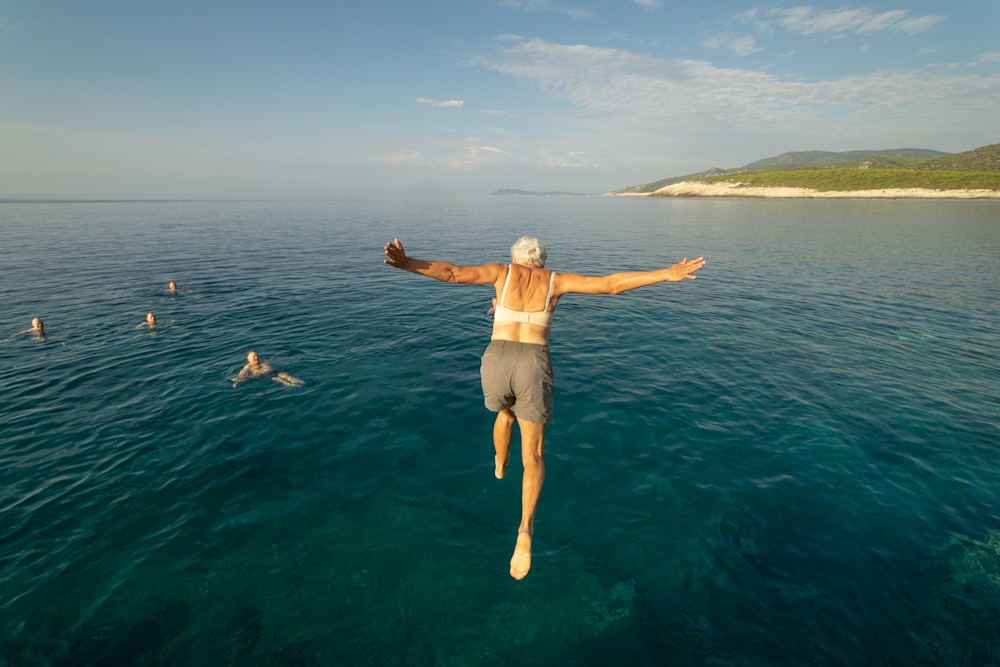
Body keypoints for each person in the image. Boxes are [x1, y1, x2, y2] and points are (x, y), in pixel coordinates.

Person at [384, 236, 705, 579]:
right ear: (541, 261)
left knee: (503, 413)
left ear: (516, 258)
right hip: (532, 363)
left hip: (497, 358)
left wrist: (407, 263)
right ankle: (525, 529)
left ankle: (498, 462)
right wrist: (666, 273)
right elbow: (611, 285)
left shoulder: (501, 273)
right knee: (534, 454)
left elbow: (452, 273)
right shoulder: (555, 281)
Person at [231, 350, 304, 387]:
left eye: (257, 355)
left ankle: (303, 383)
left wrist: (286, 358)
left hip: (274, 371)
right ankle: (296, 386)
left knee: (287, 376)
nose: (256, 357)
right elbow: (242, 374)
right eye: (254, 356)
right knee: (279, 379)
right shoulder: (248, 366)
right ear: (248, 359)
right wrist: (236, 381)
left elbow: (273, 360)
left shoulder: (263, 361)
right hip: (264, 375)